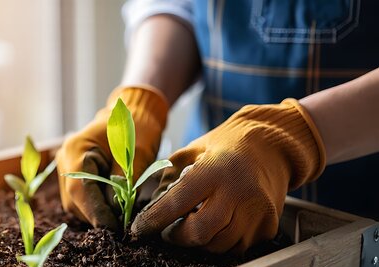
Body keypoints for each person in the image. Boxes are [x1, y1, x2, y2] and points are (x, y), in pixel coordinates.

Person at [55, 0, 379, 253]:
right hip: (207, 181)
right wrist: (144, 100)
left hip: (360, 210)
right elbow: (177, 6)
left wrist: (301, 134)